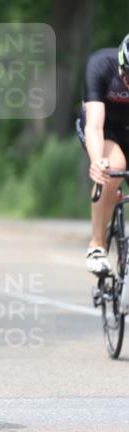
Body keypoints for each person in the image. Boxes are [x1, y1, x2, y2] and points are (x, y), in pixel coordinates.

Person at [76, 33, 129, 274]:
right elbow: (94, 126)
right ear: (120, 66)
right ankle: (97, 245)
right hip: (104, 128)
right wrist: (97, 161)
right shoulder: (100, 65)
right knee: (112, 167)